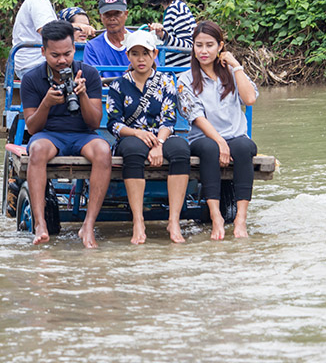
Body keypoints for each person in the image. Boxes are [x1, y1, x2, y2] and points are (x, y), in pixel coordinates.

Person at [21, 20, 112, 248]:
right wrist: (46, 103)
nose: (62, 60)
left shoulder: (88, 74)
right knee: (38, 150)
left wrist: (81, 95)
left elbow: (94, 122)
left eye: (67, 54)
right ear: (43, 52)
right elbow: (32, 128)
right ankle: (41, 223)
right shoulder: (32, 79)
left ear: (74, 49)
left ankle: (88, 225)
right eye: (55, 55)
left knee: (103, 150)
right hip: (49, 135)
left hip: (82, 134)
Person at [106, 30, 191, 244]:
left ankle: (174, 220)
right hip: (131, 136)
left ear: (154, 54)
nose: (141, 59)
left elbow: (169, 119)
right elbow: (114, 123)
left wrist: (159, 144)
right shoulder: (118, 85)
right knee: (133, 150)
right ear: (128, 56)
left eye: (145, 53)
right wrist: (137, 133)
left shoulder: (165, 83)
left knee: (181, 150)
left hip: (161, 137)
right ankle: (138, 221)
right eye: (135, 54)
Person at [176, 20, 258, 240]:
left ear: (220, 46)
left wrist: (236, 66)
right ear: (193, 46)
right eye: (199, 45)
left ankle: (240, 219)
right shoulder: (185, 79)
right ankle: (216, 217)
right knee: (210, 148)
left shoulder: (231, 73)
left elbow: (249, 98)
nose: (203, 51)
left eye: (209, 45)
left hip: (235, 136)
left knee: (244, 147)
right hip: (203, 138)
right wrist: (220, 141)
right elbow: (196, 117)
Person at [11, 0, 64, 79]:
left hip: (31, 63)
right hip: (32, 64)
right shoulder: (38, 1)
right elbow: (48, 32)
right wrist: (76, 28)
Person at [136, 0, 195, 67]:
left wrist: (163, 35)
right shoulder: (172, 8)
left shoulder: (176, 8)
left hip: (182, 74)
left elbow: (188, 45)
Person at [83, 0, 131, 78]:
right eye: (107, 14)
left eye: (117, 13)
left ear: (126, 14)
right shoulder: (92, 47)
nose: (112, 18)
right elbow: (93, 79)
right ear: (101, 16)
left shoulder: (139, 40)